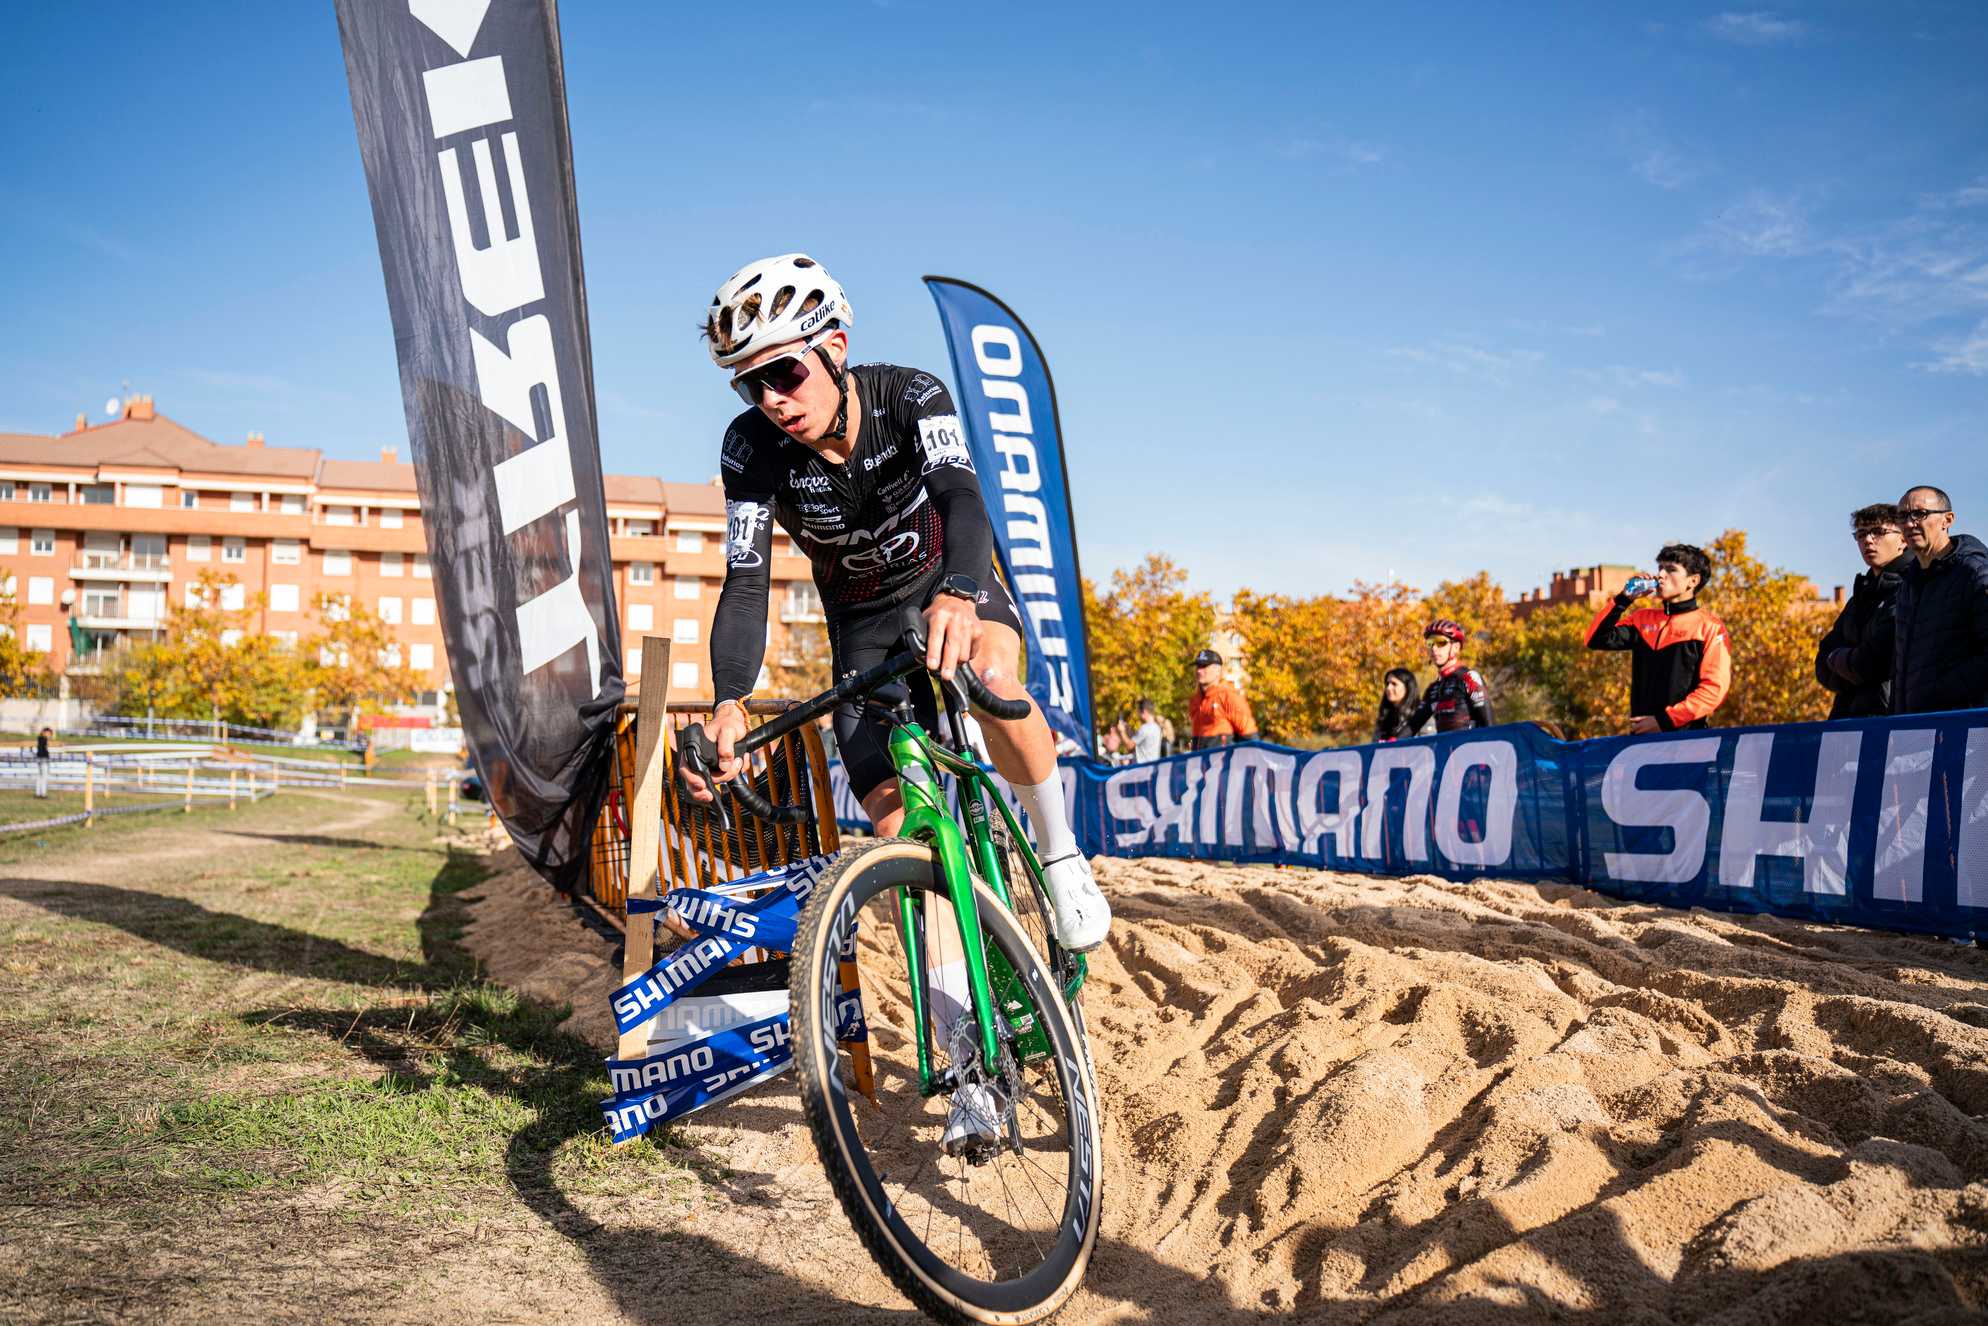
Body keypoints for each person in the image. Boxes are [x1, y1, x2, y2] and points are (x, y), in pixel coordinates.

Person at [682, 253, 1110, 957]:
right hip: (861, 628)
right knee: (891, 828)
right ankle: (959, 1034)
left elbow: (964, 501)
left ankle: (1061, 858)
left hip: (950, 584)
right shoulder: (749, 451)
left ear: (836, 349)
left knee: (996, 684)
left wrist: (960, 595)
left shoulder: (910, 395)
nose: (772, 400)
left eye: (785, 373)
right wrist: (730, 697)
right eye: (750, 385)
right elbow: (747, 579)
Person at [1584, 543, 1731, 732]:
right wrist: (1623, 599)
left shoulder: (1711, 627)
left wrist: (1664, 721)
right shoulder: (1641, 619)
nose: (1660, 575)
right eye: (1660, 568)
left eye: (1671, 570)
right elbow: (1594, 639)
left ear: (1693, 581)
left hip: (1689, 743)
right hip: (1643, 742)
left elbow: (1713, 690)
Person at [1891, 485, 1988, 715]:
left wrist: (1939, 692)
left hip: (1962, 728)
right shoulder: (1907, 585)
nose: (1909, 523)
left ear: (1948, 519)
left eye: (1920, 514)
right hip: (1911, 728)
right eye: (1903, 516)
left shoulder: (1974, 572)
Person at [1814, 503, 1906, 719]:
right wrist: (1846, 666)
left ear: (1903, 538)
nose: (1868, 540)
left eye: (1879, 532)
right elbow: (1821, 662)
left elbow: (1874, 661)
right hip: (1848, 720)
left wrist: (1839, 661)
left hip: (1892, 722)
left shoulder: (1911, 587)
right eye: (1862, 534)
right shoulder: (1860, 597)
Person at [1404, 622, 1493, 734]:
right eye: (1430, 643)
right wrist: (1388, 743)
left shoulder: (1469, 678)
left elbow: (1489, 725)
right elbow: (1412, 726)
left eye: (1441, 642)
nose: (1434, 648)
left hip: (1470, 748)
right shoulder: (1434, 688)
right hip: (1446, 750)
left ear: (1455, 647)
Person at [1187, 648, 1257, 750]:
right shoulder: (1195, 700)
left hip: (1225, 764)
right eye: (1198, 666)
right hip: (1200, 763)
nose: (1199, 671)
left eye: (1204, 666)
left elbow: (1250, 736)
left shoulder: (1229, 697)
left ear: (1218, 670)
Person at [1374, 667, 1422, 742]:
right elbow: (1374, 747)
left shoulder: (1421, 715)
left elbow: (1429, 745)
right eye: (1387, 684)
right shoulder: (1383, 719)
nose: (1388, 688)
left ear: (1408, 687)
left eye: (1394, 684)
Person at [1132, 698, 1164, 762]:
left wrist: (1122, 732)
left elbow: (1129, 746)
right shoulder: (1157, 728)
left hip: (1143, 768)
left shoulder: (1145, 728)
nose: (1138, 715)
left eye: (1138, 712)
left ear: (1144, 712)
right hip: (1153, 766)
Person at [33, 727, 52, 799]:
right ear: (45, 733)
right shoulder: (44, 739)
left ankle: (38, 793)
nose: (50, 735)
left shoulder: (39, 738)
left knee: (39, 776)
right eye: (49, 733)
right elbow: (43, 750)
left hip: (39, 759)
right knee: (44, 777)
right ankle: (43, 794)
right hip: (43, 759)